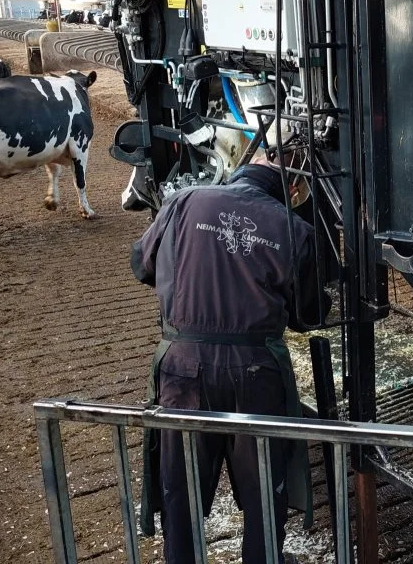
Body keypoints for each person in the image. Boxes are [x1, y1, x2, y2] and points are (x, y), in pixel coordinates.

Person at [131, 149, 326, 564]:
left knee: (181, 486)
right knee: (263, 490)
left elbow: (140, 264)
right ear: (292, 188)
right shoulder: (294, 228)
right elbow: (308, 315)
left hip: (182, 368)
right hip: (257, 374)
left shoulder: (183, 203)